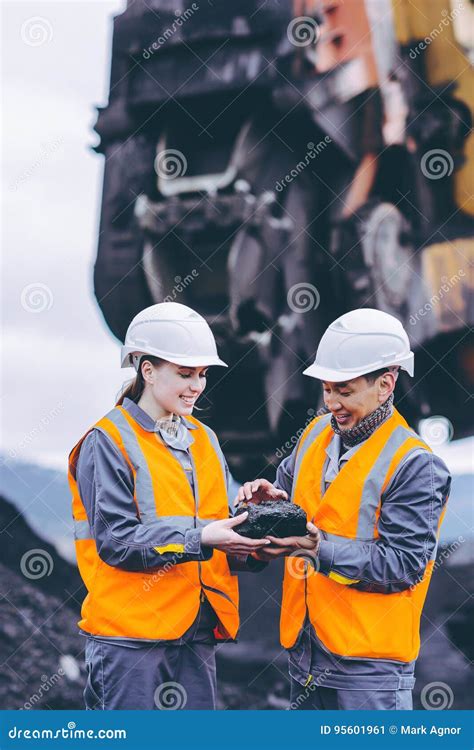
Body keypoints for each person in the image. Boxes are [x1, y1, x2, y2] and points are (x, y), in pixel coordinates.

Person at [238, 308, 451, 710]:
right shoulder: (316, 434)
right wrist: (267, 505)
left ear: (386, 384)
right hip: (305, 658)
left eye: (345, 390)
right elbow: (292, 505)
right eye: (326, 389)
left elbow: (403, 565)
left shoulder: (414, 464)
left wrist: (318, 547)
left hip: (369, 672)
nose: (332, 402)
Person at [69, 302, 272, 710]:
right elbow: (117, 542)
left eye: (202, 374)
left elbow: (211, 535)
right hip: (131, 641)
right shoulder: (107, 441)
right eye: (184, 374)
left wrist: (255, 535)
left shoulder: (204, 438)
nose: (197, 385)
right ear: (147, 370)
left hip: (195, 633)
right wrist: (202, 537)